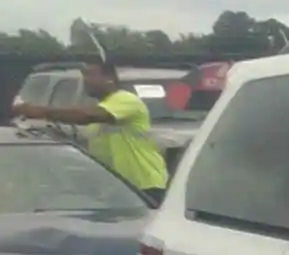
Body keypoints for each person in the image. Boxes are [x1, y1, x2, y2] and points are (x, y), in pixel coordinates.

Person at [8, 60, 169, 205]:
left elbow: (86, 116)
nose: (86, 80)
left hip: (143, 185)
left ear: (109, 78)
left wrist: (38, 111)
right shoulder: (104, 108)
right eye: (84, 76)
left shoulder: (126, 100)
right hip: (118, 189)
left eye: (91, 75)